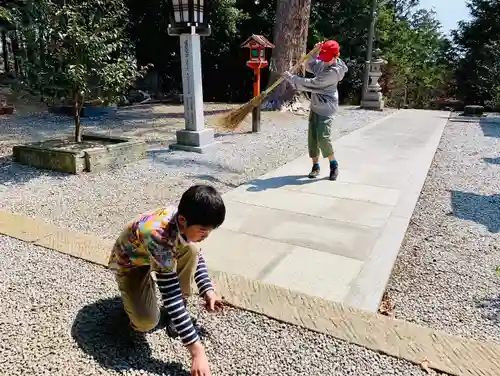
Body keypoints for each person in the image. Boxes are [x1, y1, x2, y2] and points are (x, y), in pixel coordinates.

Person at [108, 184, 226, 376]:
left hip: (155, 255)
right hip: (131, 264)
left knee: (192, 249)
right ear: (182, 220)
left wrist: (208, 290)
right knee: (146, 322)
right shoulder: (160, 237)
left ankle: (178, 311)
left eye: (210, 231)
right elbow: (170, 296)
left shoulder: (184, 220)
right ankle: (132, 311)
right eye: (203, 230)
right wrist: (197, 352)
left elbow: (196, 255)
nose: (206, 236)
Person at [284, 40, 348, 180]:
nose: (323, 60)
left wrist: (292, 79)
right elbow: (309, 66)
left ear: (335, 56)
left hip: (326, 108)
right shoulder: (325, 63)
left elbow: (312, 84)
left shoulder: (333, 72)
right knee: (312, 138)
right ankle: (315, 166)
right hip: (315, 105)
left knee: (323, 138)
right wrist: (314, 53)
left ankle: (333, 164)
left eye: (327, 57)